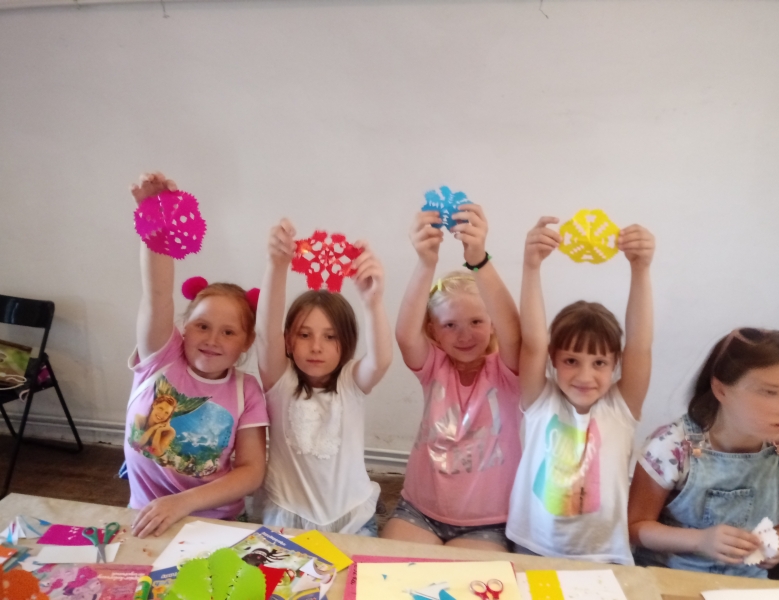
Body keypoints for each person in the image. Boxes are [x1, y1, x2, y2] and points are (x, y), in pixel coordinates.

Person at [125, 172, 268, 538]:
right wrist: (154, 215)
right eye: (203, 326)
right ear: (185, 327)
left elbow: (251, 471)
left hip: (216, 521)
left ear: (246, 342)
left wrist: (183, 503)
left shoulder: (246, 390)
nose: (212, 340)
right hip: (146, 515)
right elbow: (157, 294)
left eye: (229, 332)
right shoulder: (162, 358)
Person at [506, 216, 655, 564]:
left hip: (603, 555)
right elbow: (533, 342)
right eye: (571, 361)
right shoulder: (541, 401)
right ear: (553, 361)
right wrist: (531, 266)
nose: (585, 376)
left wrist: (640, 269)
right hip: (533, 546)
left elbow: (640, 345)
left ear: (615, 364)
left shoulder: (620, 408)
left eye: (599, 363)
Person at [381, 204, 522, 551]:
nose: (465, 335)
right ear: (434, 331)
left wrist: (479, 260)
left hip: (487, 523)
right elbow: (405, 336)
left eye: (476, 322)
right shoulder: (434, 367)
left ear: (492, 324)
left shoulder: (507, 371)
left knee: (469, 580)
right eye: (450, 325)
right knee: (388, 571)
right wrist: (425, 262)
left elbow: (515, 332)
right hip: (419, 511)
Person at [254, 218, 392, 535]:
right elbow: (265, 334)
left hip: (352, 517)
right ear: (288, 341)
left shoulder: (350, 382)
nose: (316, 347)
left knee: (358, 569)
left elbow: (381, 360)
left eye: (330, 337)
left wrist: (373, 302)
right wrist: (276, 266)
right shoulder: (280, 380)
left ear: (347, 342)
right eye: (305, 335)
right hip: (288, 515)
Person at [629, 328, 779, 578]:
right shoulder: (672, 446)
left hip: (747, 585)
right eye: (769, 392)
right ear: (721, 390)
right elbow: (635, 528)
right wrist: (699, 540)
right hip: (671, 579)